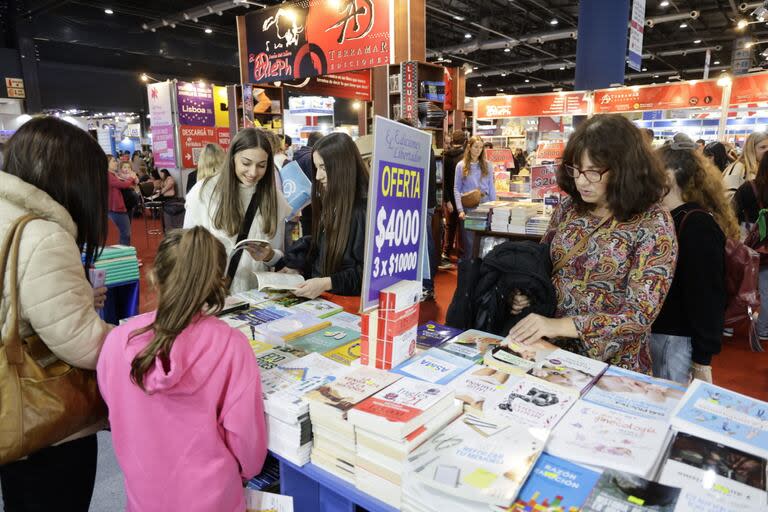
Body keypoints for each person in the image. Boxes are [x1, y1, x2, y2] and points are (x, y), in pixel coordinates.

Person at [97, 227, 267, 511]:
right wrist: (244, 473)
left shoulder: (117, 341)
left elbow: (113, 408)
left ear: (153, 275)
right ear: (219, 284)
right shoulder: (231, 345)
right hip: (214, 497)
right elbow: (247, 445)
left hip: (143, 494)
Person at [507, 114, 677, 374]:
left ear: (625, 169)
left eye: (593, 172)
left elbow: (638, 315)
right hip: (548, 352)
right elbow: (543, 265)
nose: (581, 181)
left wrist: (559, 325)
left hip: (612, 365)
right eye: (575, 169)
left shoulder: (652, 222)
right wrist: (525, 295)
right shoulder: (569, 208)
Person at [0, 116, 110, 511]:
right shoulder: (43, 235)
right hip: (48, 423)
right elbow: (83, 343)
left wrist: (75, 295)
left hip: (11, 406)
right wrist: (144, 336)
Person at [651, 134, 737, 384]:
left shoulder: (696, 224)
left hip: (676, 339)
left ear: (669, 175)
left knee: (669, 406)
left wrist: (703, 359)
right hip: (661, 334)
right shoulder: (666, 217)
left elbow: (707, 296)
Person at [184, 128, 292, 293]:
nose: (253, 172)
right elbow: (188, 249)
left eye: (261, 165)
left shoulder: (273, 198)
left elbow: (277, 253)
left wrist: (269, 255)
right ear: (232, 157)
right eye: (246, 163)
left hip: (258, 295)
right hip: (214, 294)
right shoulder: (205, 192)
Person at [282, 133, 368, 299]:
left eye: (324, 167)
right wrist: (298, 267)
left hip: (348, 304)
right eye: (317, 168)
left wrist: (327, 282)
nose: (318, 177)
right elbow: (324, 253)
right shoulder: (333, 201)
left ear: (343, 166)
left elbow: (367, 274)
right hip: (327, 299)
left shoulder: (362, 211)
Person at [733, 152, 768, 342]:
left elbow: (733, 210)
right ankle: (763, 327)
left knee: (737, 282)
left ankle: (728, 324)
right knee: (766, 287)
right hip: (765, 246)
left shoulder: (749, 187)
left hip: (748, 239)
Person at [454, 135, 496, 262]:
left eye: (481, 147)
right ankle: (469, 272)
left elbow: (491, 187)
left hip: (484, 205)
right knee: (470, 243)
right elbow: (456, 188)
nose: (479, 150)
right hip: (469, 208)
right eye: (476, 147)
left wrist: (494, 207)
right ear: (469, 147)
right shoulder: (461, 166)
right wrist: (460, 209)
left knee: (484, 242)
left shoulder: (488, 165)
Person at [441, 130, 466, 267]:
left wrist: (447, 200)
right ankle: (461, 254)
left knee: (450, 227)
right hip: (462, 197)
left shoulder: (445, 156)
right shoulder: (465, 158)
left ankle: (446, 252)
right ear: (464, 142)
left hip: (449, 197)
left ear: (452, 141)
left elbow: (444, 180)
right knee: (462, 227)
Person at [294, 131, 324, 236]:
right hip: (313, 204)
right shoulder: (310, 158)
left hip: (303, 202)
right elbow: (317, 181)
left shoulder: (299, 155)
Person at [723, 131, 768, 199]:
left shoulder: (762, 167)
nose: (767, 150)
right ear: (751, 149)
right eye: (763, 147)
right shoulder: (738, 168)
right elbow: (728, 199)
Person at [108, 155, 138, 245]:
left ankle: (126, 253)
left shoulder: (114, 174)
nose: (116, 163)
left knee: (126, 233)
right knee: (126, 233)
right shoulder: (108, 176)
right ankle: (124, 255)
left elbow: (129, 184)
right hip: (116, 208)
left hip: (125, 205)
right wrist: (131, 178)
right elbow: (123, 185)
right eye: (113, 161)